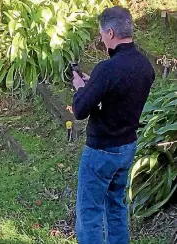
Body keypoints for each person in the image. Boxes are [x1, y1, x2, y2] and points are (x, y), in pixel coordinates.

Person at [71, 6, 155, 244]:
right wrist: (94, 85)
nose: (100, 38)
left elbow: (79, 110)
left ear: (110, 33)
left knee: (89, 213)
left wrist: (80, 87)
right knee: (116, 208)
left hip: (101, 151)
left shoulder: (106, 69)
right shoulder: (145, 66)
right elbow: (120, 97)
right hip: (127, 147)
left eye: (101, 33)